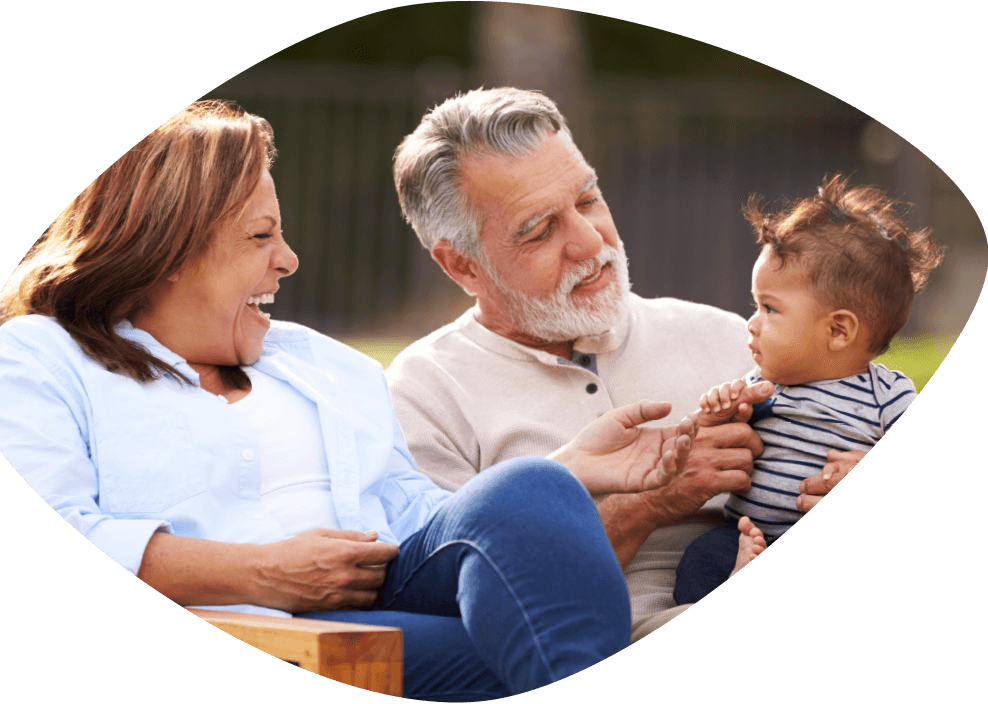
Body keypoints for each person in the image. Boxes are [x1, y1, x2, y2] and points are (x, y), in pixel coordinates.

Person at [0, 100, 701, 700]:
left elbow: (417, 515)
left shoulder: (319, 363)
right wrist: (264, 573)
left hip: (383, 587)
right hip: (247, 620)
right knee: (516, 652)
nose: (288, 259)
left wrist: (563, 475)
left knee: (532, 487)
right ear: (169, 250)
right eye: (260, 235)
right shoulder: (43, 357)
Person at [386, 87, 796, 641]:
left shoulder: (729, 336)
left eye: (587, 200)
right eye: (539, 230)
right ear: (462, 265)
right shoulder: (423, 394)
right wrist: (648, 505)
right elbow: (463, 602)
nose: (588, 241)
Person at [673, 175, 944, 604]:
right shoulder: (762, 386)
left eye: (769, 308)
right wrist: (723, 408)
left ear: (838, 329)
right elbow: (724, 435)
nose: (752, 322)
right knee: (700, 560)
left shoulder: (886, 394)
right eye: (754, 305)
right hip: (744, 534)